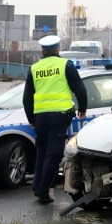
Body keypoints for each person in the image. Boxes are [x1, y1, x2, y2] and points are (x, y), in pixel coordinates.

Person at [23, 35, 87, 204]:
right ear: (58, 49)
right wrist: (83, 108)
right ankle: (43, 190)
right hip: (59, 116)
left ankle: (37, 187)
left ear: (42, 51)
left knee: (42, 153)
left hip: (41, 118)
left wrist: (31, 118)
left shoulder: (34, 68)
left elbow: (27, 98)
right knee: (54, 154)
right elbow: (80, 89)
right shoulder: (65, 65)